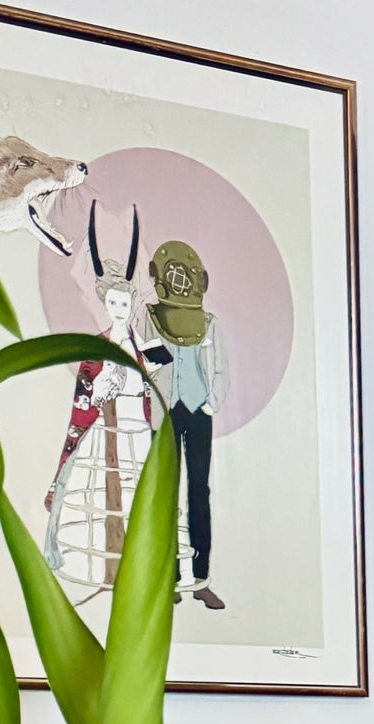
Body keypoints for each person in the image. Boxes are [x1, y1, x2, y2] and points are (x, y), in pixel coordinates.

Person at [44, 203, 154, 601]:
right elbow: (85, 394)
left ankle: (136, 573)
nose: (120, 310)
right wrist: (104, 385)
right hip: (104, 429)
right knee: (102, 497)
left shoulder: (141, 346)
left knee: (138, 494)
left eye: (125, 304)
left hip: (136, 428)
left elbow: (149, 389)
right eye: (114, 304)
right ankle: (102, 572)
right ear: (105, 304)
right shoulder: (97, 347)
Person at [139, 239, 229, 610]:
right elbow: (144, 360)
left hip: (198, 411)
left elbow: (220, 367)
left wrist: (211, 403)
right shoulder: (149, 317)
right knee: (167, 494)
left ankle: (202, 576)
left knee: (199, 492)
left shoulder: (208, 323)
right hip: (165, 413)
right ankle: (172, 577)